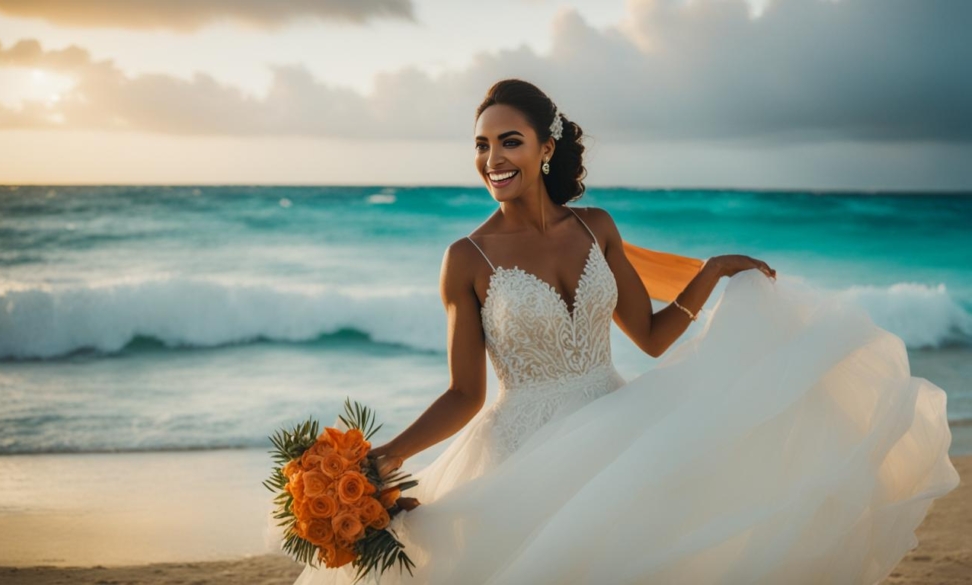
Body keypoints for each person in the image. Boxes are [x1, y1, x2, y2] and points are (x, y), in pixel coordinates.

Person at [290, 79, 959, 584]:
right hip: (521, 448)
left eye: (509, 140)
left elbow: (652, 335)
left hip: (615, 429)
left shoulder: (596, 227)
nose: (492, 157)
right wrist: (382, 460)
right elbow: (464, 394)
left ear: (546, 147)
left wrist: (713, 272)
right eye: (481, 144)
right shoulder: (466, 257)